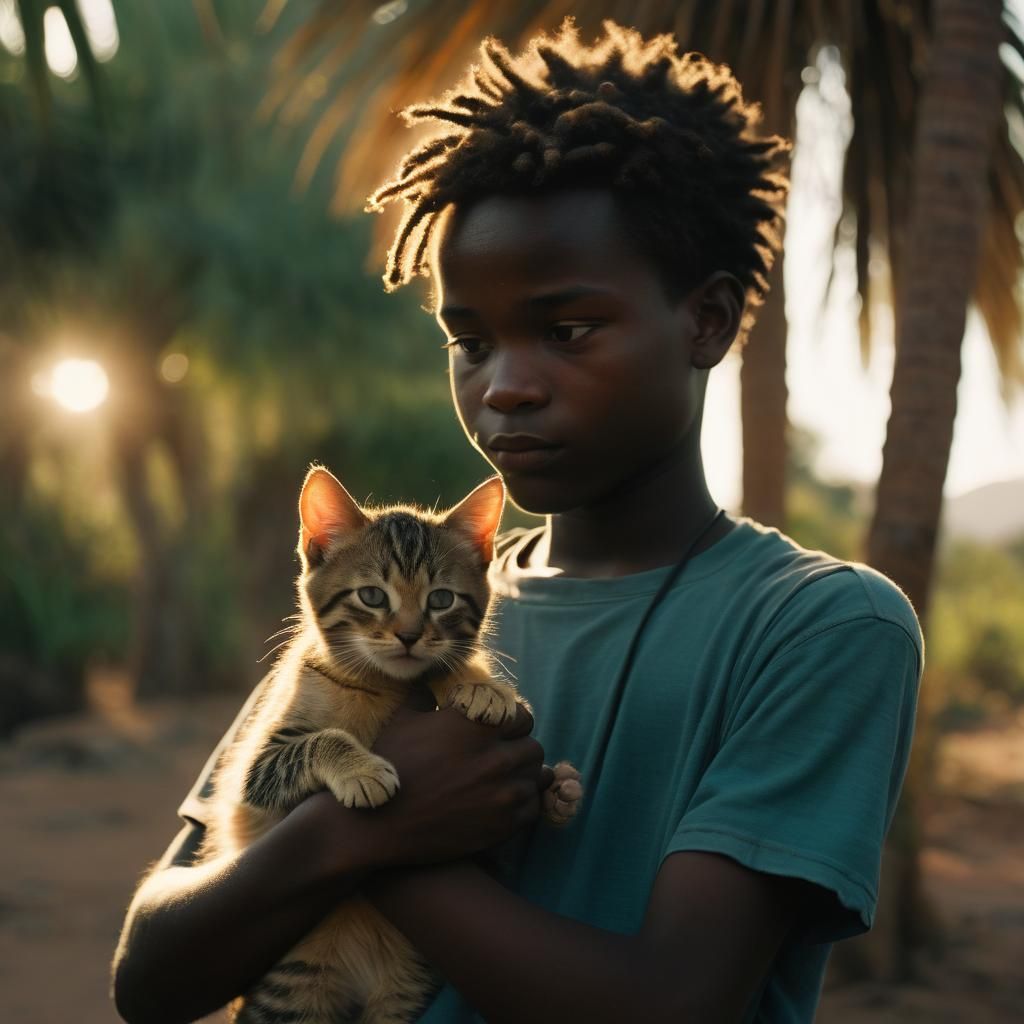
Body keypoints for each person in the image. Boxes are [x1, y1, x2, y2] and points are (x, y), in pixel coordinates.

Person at [112, 20, 922, 1024]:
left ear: (705, 320)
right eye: (469, 339)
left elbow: (671, 1003)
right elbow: (151, 971)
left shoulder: (816, 626)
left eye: (565, 329)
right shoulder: (370, 623)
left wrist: (381, 836)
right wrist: (351, 827)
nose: (504, 388)